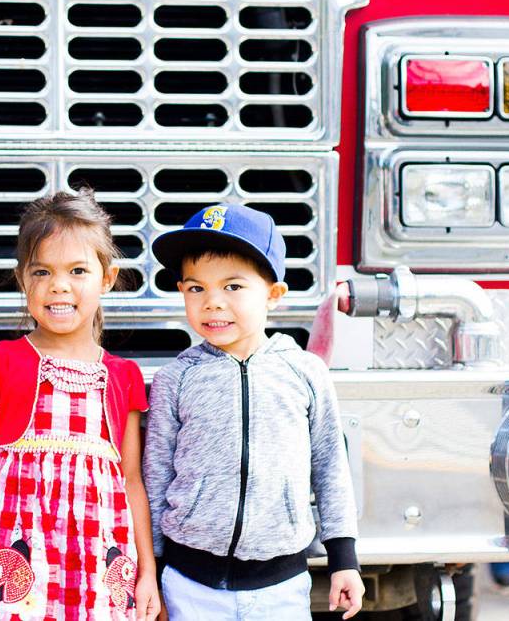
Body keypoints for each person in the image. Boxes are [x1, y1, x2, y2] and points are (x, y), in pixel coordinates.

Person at [143, 203, 364, 620]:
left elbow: (331, 467)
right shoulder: (178, 378)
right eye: (196, 289)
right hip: (190, 582)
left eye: (232, 287)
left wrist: (344, 559)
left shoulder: (304, 372)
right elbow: (156, 479)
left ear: (273, 295)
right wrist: (151, 568)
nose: (212, 303)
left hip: (280, 584)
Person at [0, 190, 161, 620]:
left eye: (78, 270)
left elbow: (131, 480)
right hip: (20, 560)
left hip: (98, 561)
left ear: (106, 278)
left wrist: (147, 571)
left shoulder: (123, 375)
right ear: (22, 279)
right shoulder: (1, 360)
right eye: (42, 271)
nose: (59, 286)